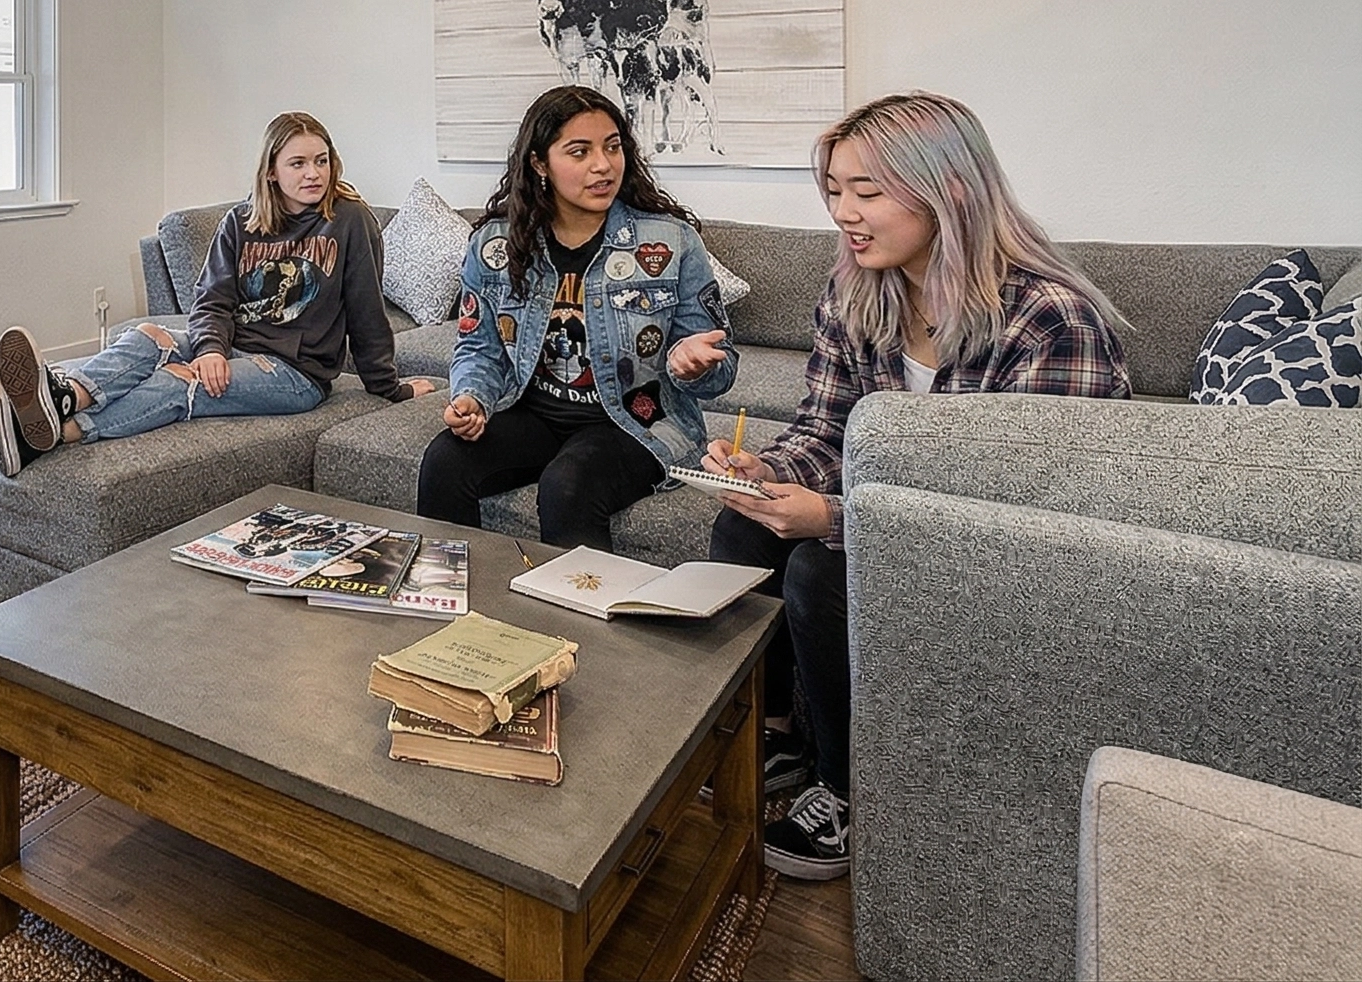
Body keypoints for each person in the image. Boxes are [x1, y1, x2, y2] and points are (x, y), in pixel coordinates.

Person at [699, 91, 1129, 880]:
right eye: (835, 190)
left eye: (868, 192)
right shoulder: (859, 291)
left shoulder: (1049, 319)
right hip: (897, 524)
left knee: (819, 566)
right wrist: (768, 472)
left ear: (951, 190)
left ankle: (849, 789)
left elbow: (1011, 510)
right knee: (741, 529)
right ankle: (783, 731)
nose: (844, 214)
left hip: (1013, 555)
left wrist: (829, 515)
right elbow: (825, 431)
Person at [0, 111, 435, 474]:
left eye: (321, 160)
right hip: (237, 345)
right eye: (298, 163)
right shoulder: (240, 223)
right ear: (272, 171)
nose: (314, 173)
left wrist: (388, 388)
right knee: (146, 335)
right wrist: (212, 348)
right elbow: (212, 301)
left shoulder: (350, 222)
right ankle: (65, 395)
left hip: (294, 375)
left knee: (184, 381)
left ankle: (56, 433)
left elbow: (367, 313)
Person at [417, 85, 737, 547]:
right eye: (580, 151)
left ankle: (573, 620)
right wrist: (471, 398)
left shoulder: (670, 242)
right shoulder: (495, 244)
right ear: (540, 163)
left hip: (633, 422)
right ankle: (454, 610)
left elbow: (719, 370)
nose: (603, 165)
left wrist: (690, 365)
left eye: (612, 146)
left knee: (567, 484)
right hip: (534, 414)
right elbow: (479, 346)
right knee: (445, 463)